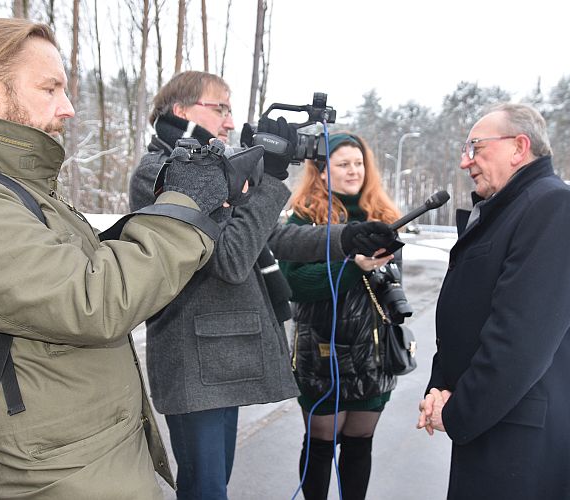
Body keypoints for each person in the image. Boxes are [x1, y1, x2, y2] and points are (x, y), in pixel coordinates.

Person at [0, 18, 240, 499]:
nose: (67, 107)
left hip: (88, 458)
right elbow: (91, 299)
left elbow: (84, 266)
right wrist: (183, 209)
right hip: (51, 476)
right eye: (50, 89)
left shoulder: (16, 188)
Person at [129, 72, 398, 500]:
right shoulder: (161, 173)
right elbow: (232, 259)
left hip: (225, 353)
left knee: (216, 486)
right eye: (221, 108)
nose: (231, 121)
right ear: (180, 111)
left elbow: (266, 237)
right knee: (206, 490)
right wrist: (270, 177)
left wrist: (345, 239)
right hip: (193, 358)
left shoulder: (214, 165)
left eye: (231, 110)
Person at [417, 103, 570, 500]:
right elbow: (472, 315)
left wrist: (457, 410)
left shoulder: (555, 208)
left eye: (475, 147)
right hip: (500, 426)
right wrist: (441, 387)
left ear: (519, 147)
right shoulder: (512, 210)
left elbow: (518, 341)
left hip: (527, 448)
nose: (463, 161)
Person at [279, 132, 403, 500]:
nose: (354, 171)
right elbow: (294, 284)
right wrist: (354, 268)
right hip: (322, 348)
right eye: (344, 164)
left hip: (372, 350)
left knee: (360, 441)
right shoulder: (304, 218)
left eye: (359, 163)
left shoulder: (383, 215)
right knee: (321, 442)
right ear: (321, 171)